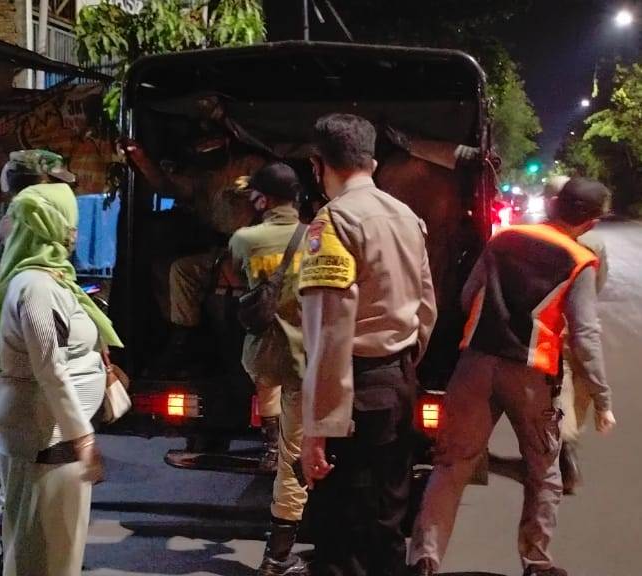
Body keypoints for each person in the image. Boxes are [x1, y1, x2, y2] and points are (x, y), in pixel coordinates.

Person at [408, 177, 617, 576]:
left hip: (474, 366)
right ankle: (536, 562)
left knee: (450, 465)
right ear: (590, 222)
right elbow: (586, 336)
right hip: (530, 376)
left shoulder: (504, 239)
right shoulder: (579, 260)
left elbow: (468, 295)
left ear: (554, 205)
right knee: (544, 473)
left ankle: (425, 558)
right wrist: (602, 400)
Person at [298, 114, 437, 576]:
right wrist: (401, 364)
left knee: (344, 533)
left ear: (318, 165)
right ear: (372, 162)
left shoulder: (334, 223)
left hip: (355, 390)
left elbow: (329, 331)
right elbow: (426, 309)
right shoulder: (406, 217)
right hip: (398, 382)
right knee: (386, 518)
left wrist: (318, 428)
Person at [0, 182, 121, 576]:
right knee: (46, 556)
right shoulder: (37, 287)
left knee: (41, 550)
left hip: (49, 431)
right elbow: (50, 369)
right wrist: (83, 437)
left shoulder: (49, 279)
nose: (75, 232)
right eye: (69, 222)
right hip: (45, 435)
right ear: (50, 225)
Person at [0, 149, 76, 576]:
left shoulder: (4, 235)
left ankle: (17, 550)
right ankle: (13, 554)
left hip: (10, 368)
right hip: (17, 372)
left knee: (17, 472)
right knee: (17, 473)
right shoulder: (18, 235)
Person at [122, 98, 267, 376]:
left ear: (228, 140)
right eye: (202, 145)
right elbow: (166, 186)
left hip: (258, 248)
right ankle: (183, 338)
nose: (208, 147)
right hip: (221, 249)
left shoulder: (252, 165)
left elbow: (274, 192)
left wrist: (250, 192)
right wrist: (141, 158)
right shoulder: (201, 178)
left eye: (213, 141)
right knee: (178, 270)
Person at [229, 163, 308, 575]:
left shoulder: (244, 239)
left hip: (260, 353)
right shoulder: (317, 238)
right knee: (294, 459)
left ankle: (269, 440)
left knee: (266, 380)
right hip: (302, 358)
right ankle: (278, 555)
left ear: (262, 200)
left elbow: (234, 276)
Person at [541, 176, 609, 495]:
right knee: (575, 384)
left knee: (561, 386)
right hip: (576, 326)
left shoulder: (532, 236)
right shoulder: (593, 245)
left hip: (547, 327)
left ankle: (563, 445)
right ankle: (567, 443)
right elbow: (597, 286)